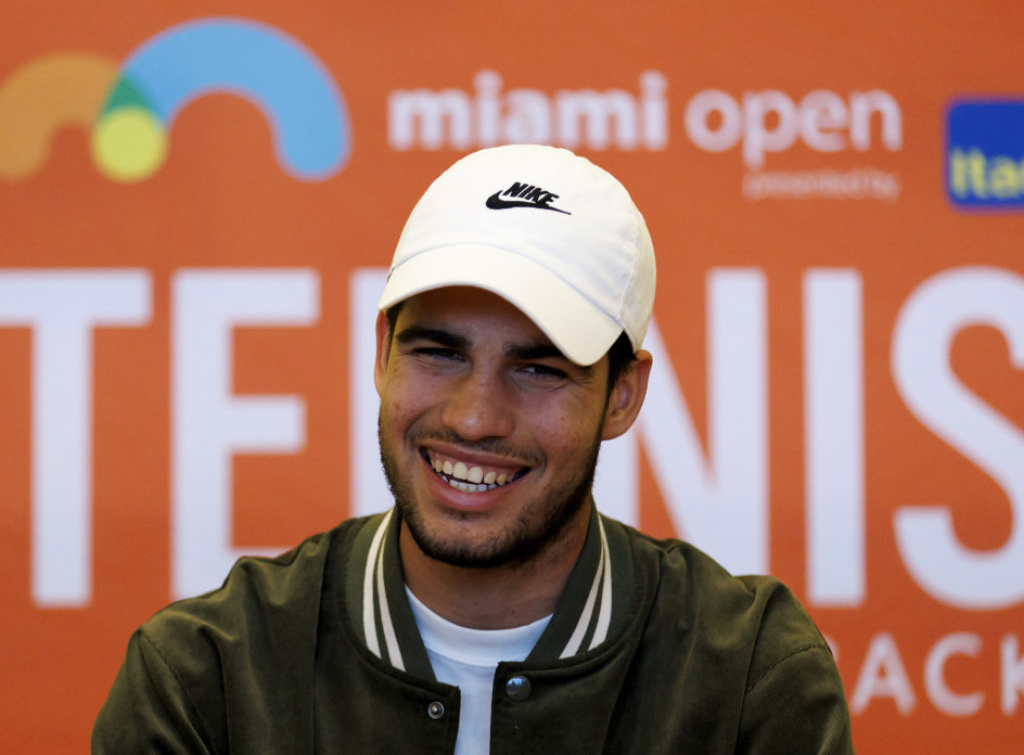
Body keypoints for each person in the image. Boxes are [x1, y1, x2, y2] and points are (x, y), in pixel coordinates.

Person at [92, 145, 854, 753]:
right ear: (382, 352)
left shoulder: (749, 676)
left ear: (623, 394)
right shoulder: (207, 678)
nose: (475, 418)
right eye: (439, 352)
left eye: (539, 369)